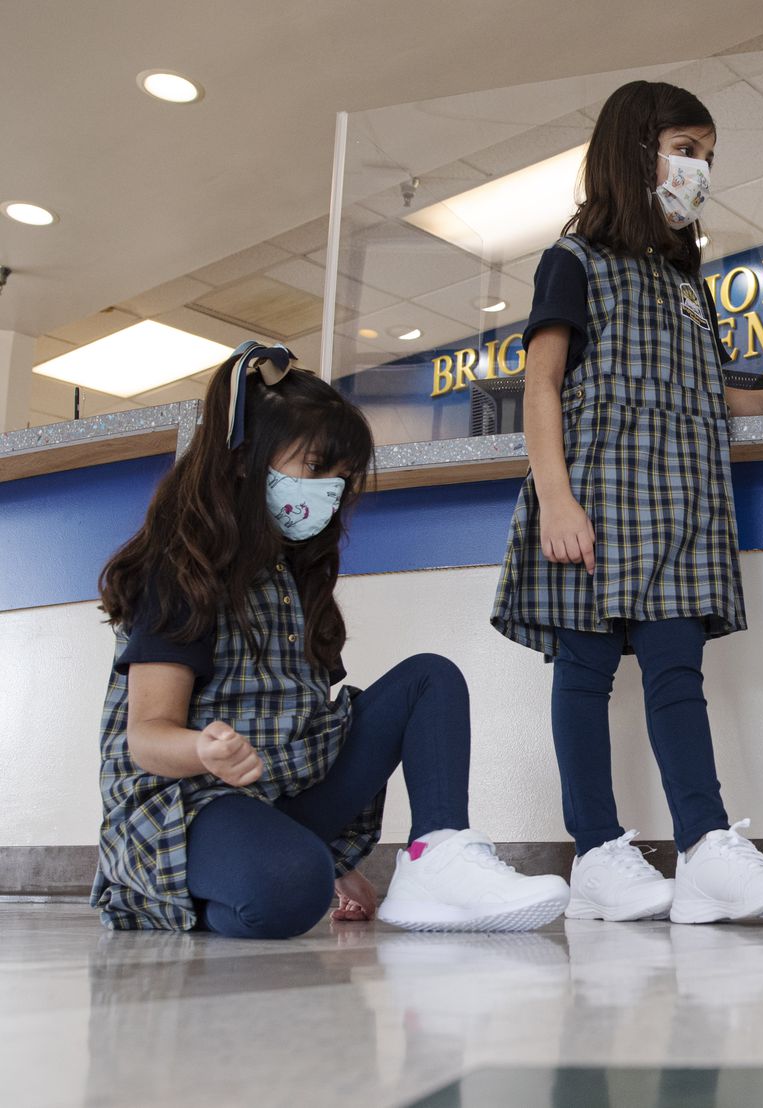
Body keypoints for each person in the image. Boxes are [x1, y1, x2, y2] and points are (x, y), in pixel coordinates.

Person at [94, 342, 570, 938]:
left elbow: (308, 726)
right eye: (315, 469)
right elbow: (146, 736)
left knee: (430, 678)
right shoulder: (183, 572)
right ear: (245, 461)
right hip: (193, 804)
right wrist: (204, 751)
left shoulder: (294, 577)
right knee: (292, 887)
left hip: (281, 791)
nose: (330, 490)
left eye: (341, 478)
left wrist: (333, 862)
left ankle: (435, 860)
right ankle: (185, 891)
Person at [492, 81, 763, 925]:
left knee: (679, 670)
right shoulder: (572, 261)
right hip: (596, 495)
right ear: (635, 152)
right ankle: (598, 851)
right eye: (687, 148)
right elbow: (543, 383)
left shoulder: (684, 279)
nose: (699, 169)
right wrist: (557, 499)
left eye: (708, 155)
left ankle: (706, 848)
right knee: (585, 673)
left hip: (679, 500)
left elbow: (705, 390)